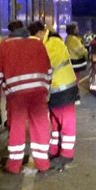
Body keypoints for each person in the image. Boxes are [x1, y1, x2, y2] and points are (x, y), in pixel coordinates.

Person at [0, 21, 53, 174]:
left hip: (16, 95)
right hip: (38, 92)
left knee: (17, 127)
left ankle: (14, 166)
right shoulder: (38, 44)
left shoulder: (4, 46)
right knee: (40, 126)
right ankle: (43, 164)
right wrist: (45, 86)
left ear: (10, 32)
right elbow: (49, 69)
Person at [30, 21, 79, 169]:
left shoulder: (53, 43)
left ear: (39, 33)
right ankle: (54, 150)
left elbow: (47, 63)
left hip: (63, 89)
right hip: (55, 89)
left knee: (66, 123)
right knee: (56, 122)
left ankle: (67, 154)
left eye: (35, 37)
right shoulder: (48, 42)